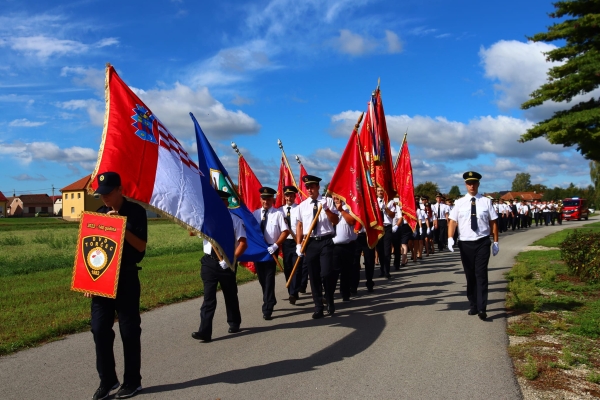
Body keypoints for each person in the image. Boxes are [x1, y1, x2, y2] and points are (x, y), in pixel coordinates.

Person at [89, 172, 147, 400]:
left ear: (120, 190)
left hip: (127, 278)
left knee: (129, 331)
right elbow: (91, 250)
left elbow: (141, 247)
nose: (104, 198)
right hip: (102, 281)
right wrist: (88, 279)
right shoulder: (98, 215)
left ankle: (133, 382)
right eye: (101, 194)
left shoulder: (137, 212)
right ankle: (107, 379)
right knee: (99, 329)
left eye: (108, 193)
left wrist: (121, 227)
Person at [192, 190, 247, 343]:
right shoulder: (207, 218)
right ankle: (205, 331)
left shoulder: (235, 220)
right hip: (209, 262)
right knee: (209, 298)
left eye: (221, 201)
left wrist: (231, 259)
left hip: (227, 263)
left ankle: (234, 322)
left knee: (230, 295)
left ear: (227, 203)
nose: (219, 204)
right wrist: (195, 220)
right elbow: (192, 232)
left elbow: (243, 243)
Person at [447, 171, 499, 320]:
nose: (472, 185)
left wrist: (496, 241)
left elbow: (493, 222)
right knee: (470, 275)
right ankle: (473, 304)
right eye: (469, 183)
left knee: (481, 274)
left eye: (474, 183)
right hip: (465, 243)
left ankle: (482, 308)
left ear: (478, 184)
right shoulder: (459, 202)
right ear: (465, 185)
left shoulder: (486, 201)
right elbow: (453, 221)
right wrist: (450, 238)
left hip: (482, 241)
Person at [296, 175, 339, 319]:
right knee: (313, 276)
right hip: (311, 242)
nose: (309, 189)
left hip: (326, 240)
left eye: (312, 186)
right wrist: (298, 243)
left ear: (318, 187)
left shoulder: (327, 201)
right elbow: (300, 225)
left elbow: (336, 220)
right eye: (307, 187)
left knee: (326, 273)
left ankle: (329, 298)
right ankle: (318, 306)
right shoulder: (302, 205)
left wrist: (326, 209)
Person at [253, 187, 288, 320]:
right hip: (259, 251)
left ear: (273, 199)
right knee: (262, 279)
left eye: (268, 198)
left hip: (271, 250)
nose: (266, 201)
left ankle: (267, 307)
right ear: (260, 199)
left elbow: (285, 232)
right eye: (263, 198)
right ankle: (271, 299)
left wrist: (275, 245)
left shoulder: (278, 214)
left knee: (268, 278)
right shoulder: (255, 214)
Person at [278, 186, 302, 304]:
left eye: (291, 196)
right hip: (285, 242)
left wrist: (300, 242)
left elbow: (301, 225)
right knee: (287, 268)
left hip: (296, 241)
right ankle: (291, 291)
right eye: (287, 196)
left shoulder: (299, 209)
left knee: (296, 268)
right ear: (284, 196)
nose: (289, 198)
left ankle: (293, 292)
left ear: (294, 196)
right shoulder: (279, 210)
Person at [332, 196, 357, 301]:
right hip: (334, 246)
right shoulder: (328, 208)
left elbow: (352, 222)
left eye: (338, 195)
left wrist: (341, 210)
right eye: (334, 196)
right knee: (333, 272)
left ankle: (345, 293)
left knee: (346, 271)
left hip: (348, 245)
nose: (335, 198)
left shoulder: (350, 207)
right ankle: (329, 295)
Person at [375, 187, 396, 278]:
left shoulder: (390, 202)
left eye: (381, 191)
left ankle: (387, 271)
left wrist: (385, 208)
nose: (380, 192)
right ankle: (382, 269)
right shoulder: (374, 201)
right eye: (378, 191)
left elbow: (392, 215)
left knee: (387, 250)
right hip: (378, 228)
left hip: (387, 227)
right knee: (380, 250)